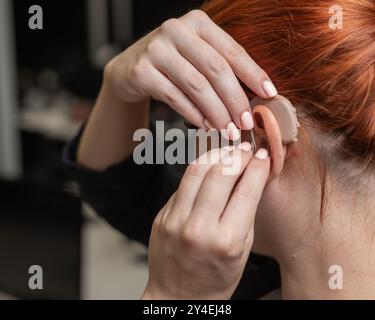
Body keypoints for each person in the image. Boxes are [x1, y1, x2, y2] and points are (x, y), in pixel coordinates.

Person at [65, 0, 375, 299]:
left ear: (263, 137)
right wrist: (119, 86)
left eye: (193, 125)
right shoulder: (261, 267)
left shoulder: (228, 278)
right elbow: (119, 188)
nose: (190, 155)